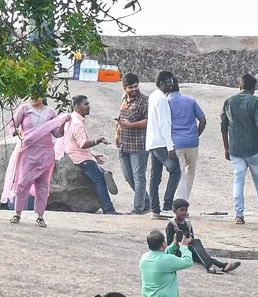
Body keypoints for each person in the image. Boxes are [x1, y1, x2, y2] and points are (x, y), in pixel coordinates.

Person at [221, 72, 258, 227]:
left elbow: (224, 126)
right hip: (253, 148)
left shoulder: (229, 101)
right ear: (253, 88)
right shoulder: (255, 101)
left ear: (240, 86)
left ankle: (239, 215)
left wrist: (226, 147)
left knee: (238, 180)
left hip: (235, 148)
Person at [9, 94, 67, 225]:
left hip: (45, 153)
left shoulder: (50, 112)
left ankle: (40, 216)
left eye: (37, 95)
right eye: (31, 95)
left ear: (43, 96)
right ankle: (17, 213)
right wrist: (17, 133)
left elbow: (57, 133)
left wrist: (62, 124)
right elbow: (12, 126)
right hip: (28, 151)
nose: (34, 98)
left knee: (42, 184)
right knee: (23, 182)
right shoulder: (24, 108)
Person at [61, 95, 116, 214]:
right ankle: (109, 209)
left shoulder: (73, 119)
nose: (88, 106)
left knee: (102, 175)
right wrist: (98, 140)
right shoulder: (77, 123)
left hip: (80, 155)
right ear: (77, 107)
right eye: (85, 104)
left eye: (88, 103)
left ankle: (104, 173)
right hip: (80, 157)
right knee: (101, 180)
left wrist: (92, 156)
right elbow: (83, 144)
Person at [165, 198, 239, 274]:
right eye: (181, 210)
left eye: (186, 210)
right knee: (199, 253)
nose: (184, 212)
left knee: (198, 246)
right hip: (178, 251)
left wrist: (189, 240)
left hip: (187, 249)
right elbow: (170, 245)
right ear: (175, 211)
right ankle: (214, 266)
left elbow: (192, 238)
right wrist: (180, 242)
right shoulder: (171, 225)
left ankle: (222, 265)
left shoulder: (188, 224)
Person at [144, 70, 181, 216]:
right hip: (161, 142)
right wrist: (170, 146)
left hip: (152, 142)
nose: (171, 84)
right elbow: (164, 124)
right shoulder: (162, 100)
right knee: (175, 170)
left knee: (155, 176)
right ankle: (167, 206)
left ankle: (155, 209)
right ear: (161, 83)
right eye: (169, 81)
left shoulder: (153, 96)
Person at [114, 73, 150, 214]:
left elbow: (148, 121)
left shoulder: (144, 101)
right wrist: (117, 133)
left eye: (136, 86)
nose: (134, 89)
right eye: (131, 87)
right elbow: (121, 117)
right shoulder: (124, 99)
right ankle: (147, 203)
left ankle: (138, 208)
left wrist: (131, 125)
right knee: (128, 177)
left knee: (139, 177)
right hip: (124, 144)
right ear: (124, 87)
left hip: (138, 145)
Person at [167, 82, 206, 205]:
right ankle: (184, 201)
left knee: (180, 174)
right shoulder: (190, 100)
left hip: (176, 143)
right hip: (192, 142)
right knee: (190, 173)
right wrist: (196, 134)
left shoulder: (166, 102)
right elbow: (203, 120)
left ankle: (180, 204)